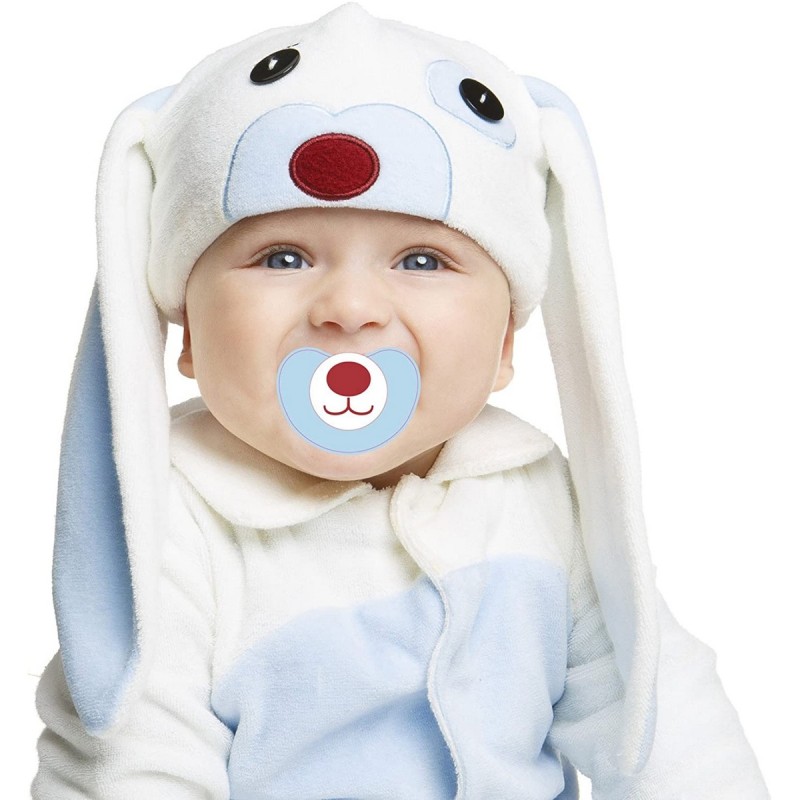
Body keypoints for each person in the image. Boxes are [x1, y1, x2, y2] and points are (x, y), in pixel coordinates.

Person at [31, 3, 770, 797]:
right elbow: (134, 767)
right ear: (186, 329)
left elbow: (657, 710)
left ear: (505, 343)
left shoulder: (534, 493)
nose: (350, 308)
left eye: (422, 260)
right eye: (282, 257)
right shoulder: (167, 522)